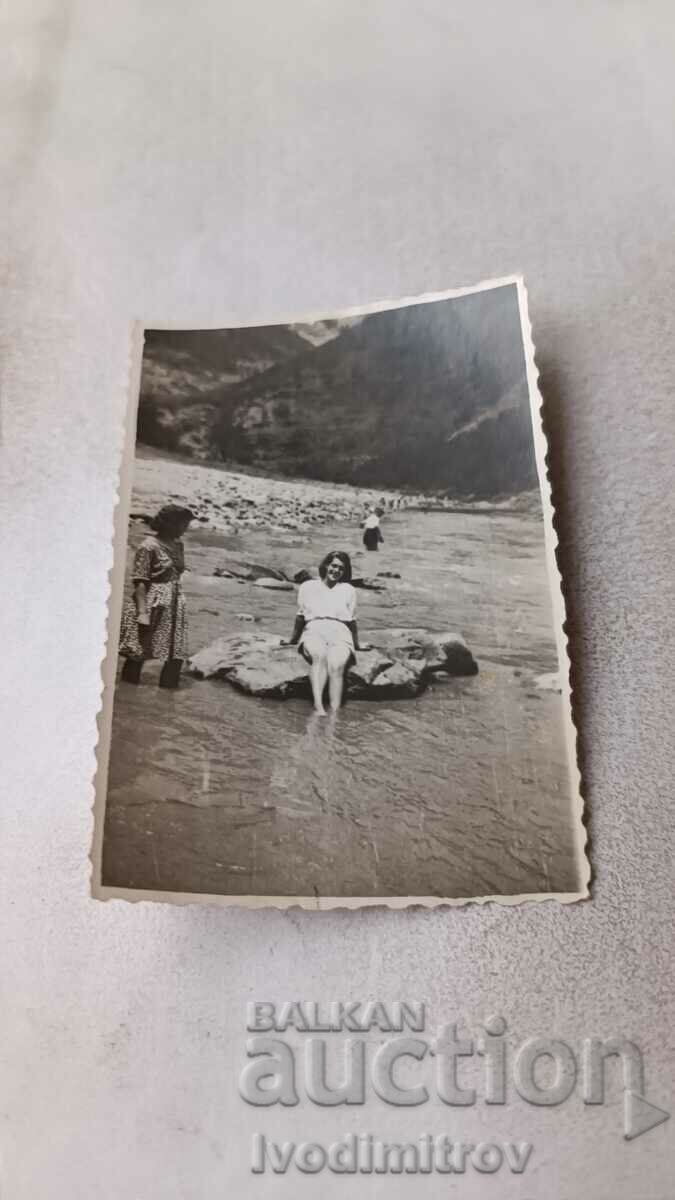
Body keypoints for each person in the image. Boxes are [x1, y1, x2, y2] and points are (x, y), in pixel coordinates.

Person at [283, 550, 371, 715]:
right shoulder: (308, 586)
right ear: (326, 565)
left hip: (341, 632)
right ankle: (319, 707)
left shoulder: (348, 589)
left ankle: (335, 713)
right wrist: (292, 640)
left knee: (337, 665)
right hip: (314, 629)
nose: (336, 571)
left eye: (341, 569)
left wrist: (357, 645)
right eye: (334, 566)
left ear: (345, 572)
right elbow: (301, 616)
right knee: (320, 656)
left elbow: (351, 621)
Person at [118, 504, 194, 689]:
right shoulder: (148, 547)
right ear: (169, 524)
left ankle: (168, 698)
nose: (186, 528)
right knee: (138, 653)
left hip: (175, 603)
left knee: (175, 655)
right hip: (151, 602)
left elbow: (176, 574)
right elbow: (140, 582)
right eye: (183, 524)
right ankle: (129, 695)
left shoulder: (178, 545)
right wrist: (142, 613)